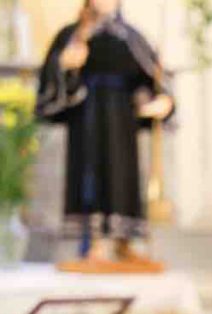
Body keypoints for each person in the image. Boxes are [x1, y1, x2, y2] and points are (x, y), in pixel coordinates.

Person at [35, 0, 173, 263]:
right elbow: (52, 77)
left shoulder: (132, 37)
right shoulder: (73, 34)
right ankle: (94, 243)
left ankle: (124, 242)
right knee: (90, 175)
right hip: (87, 118)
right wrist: (65, 65)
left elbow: (151, 77)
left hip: (122, 120)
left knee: (123, 176)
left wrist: (161, 100)